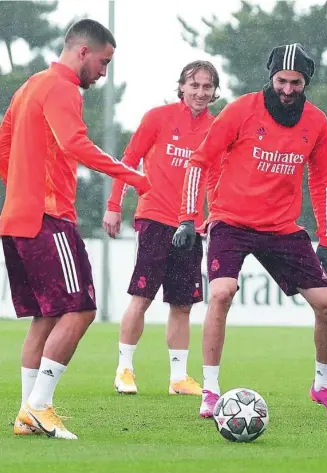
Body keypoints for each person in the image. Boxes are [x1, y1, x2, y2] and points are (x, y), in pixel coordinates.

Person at [172, 43, 327, 419]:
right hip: (231, 222)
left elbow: (321, 181)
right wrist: (188, 218)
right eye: (282, 81)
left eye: (296, 83)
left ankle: (322, 387)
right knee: (221, 292)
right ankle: (210, 391)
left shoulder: (317, 122)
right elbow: (199, 161)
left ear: (307, 82)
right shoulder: (242, 109)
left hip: (282, 229)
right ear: (271, 78)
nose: (287, 90)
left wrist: (326, 239)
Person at [0, 19, 150, 440]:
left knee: (46, 318)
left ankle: (26, 414)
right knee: (81, 308)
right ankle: (40, 407)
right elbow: (75, 143)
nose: (103, 73)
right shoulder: (62, 87)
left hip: (17, 218)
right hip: (47, 219)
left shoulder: (30, 85)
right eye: (103, 62)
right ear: (83, 51)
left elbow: (3, 145)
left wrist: (20, 190)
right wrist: (134, 177)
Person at [103, 60, 220, 396]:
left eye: (206, 87)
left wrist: (214, 214)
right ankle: (124, 369)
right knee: (141, 297)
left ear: (214, 91)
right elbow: (127, 162)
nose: (200, 92)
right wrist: (113, 207)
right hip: (154, 218)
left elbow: (215, 177)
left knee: (182, 304)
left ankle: (178, 378)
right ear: (181, 86)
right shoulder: (158, 117)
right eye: (194, 85)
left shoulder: (217, 127)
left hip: (192, 227)